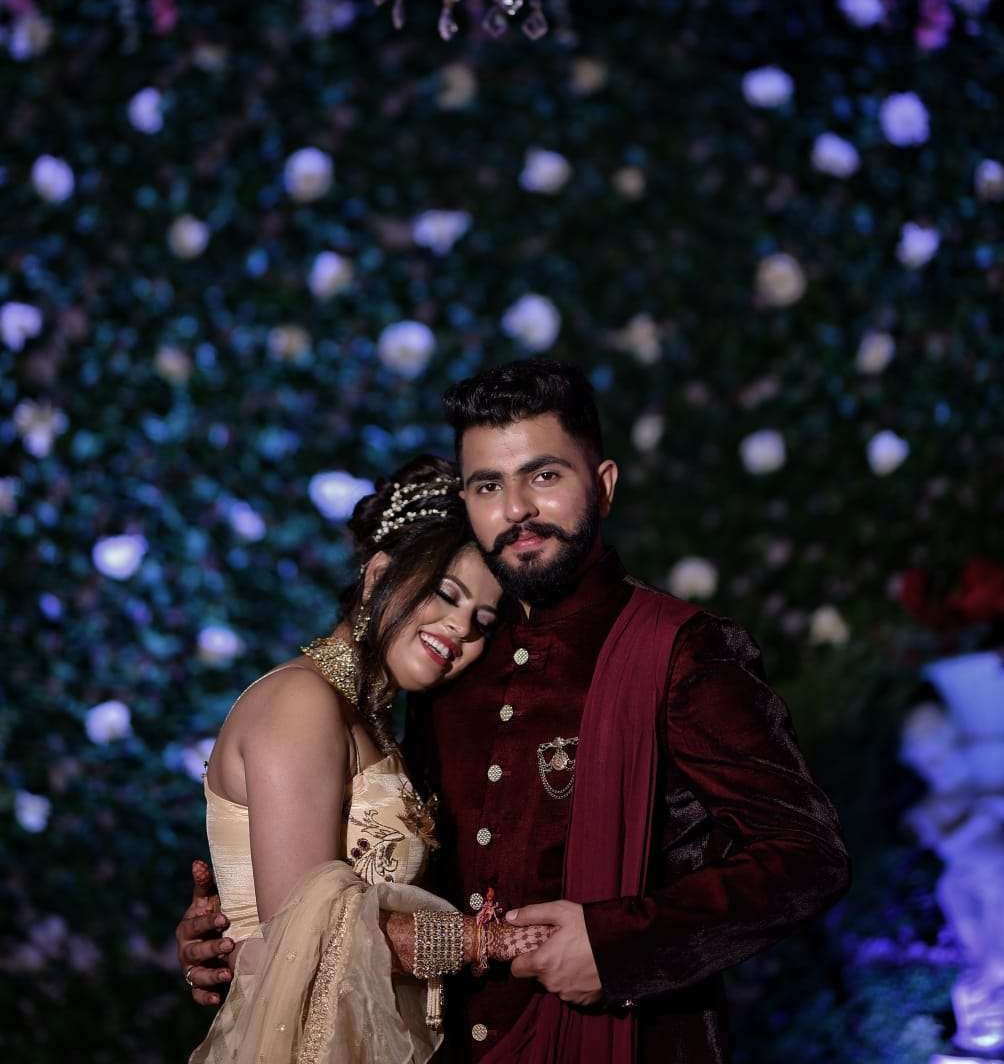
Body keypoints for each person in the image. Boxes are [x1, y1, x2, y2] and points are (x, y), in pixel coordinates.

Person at [178, 361, 851, 1063]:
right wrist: (241, 939)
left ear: (604, 485)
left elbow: (807, 857)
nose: (517, 508)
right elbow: (363, 871)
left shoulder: (679, 651)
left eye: (545, 475)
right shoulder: (449, 660)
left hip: (621, 1045)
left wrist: (620, 946)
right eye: (488, 485)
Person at [183, 453, 551, 1064]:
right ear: (379, 575)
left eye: (481, 621)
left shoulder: (371, 721)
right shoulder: (301, 701)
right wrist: (492, 941)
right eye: (446, 594)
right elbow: (311, 934)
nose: (460, 628)